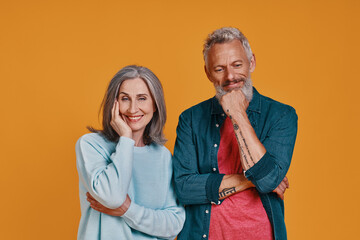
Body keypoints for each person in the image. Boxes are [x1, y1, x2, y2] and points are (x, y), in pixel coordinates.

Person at [172, 27, 298, 240]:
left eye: (237, 65)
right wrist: (251, 180)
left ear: (252, 62)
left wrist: (238, 113)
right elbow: (184, 188)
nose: (230, 76)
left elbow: (267, 181)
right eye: (219, 69)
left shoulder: (281, 115)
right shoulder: (190, 119)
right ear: (208, 73)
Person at [75, 65, 185, 240]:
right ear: (114, 104)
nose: (133, 109)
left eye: (142, 98)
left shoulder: (163, 157)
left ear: (155, 105)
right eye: (125, 98)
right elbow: (112, 198)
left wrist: (128, 209)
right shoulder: (91, 145)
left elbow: (174, 224)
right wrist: (126, 139)